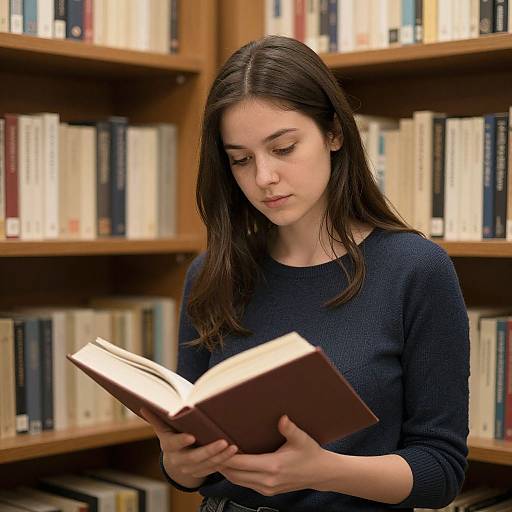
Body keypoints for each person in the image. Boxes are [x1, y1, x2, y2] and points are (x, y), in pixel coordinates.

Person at [141, 35, 469, 512]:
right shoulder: (213, 273)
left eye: (284, 148)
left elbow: (441, 470)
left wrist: (322, 470)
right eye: (241, 159)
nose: (264, 178)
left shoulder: (416, 270)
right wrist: (179, 467)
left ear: (334, 133)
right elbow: (190, 453)